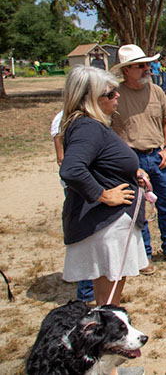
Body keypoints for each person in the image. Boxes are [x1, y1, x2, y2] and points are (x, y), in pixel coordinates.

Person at [59, 66, 149, 306]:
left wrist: (132, 173)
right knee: (109, 298)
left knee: (106, 294)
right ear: (89, 99)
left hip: (108, 223)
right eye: (109, 94)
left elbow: (98, 164)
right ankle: (108, 328)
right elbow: (71, 169)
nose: (117, 96)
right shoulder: (87, 127)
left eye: (115, 91)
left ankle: (105, 325)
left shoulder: (90, 125)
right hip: (107, 222)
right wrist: (104, 195)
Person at [110, 44, 166, 272]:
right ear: (126, 70)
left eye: (147, 64)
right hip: (131, 160)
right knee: (138, 210)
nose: (147, 68)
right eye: (140, 66)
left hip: (157, 156)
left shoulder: (156, 91)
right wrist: (123, 159)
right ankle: (143, 256)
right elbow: (108, 130)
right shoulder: (115, 95)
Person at [51, 110, 95, 303]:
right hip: (82, 188)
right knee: (86, 238)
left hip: (97, 185)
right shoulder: (62, 119)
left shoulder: (96, 115)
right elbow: (62, 159)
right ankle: (86, 294)